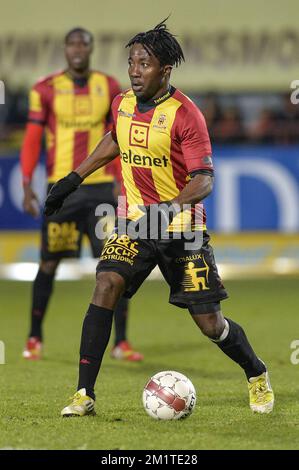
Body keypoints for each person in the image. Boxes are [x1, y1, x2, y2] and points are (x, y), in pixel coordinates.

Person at [44, 20, 274, 416]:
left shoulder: (187, 116)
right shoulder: (122, 104)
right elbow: (115, 138)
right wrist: (73, 178)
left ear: (165, 70)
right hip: (135, 222)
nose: (135, 70)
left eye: (144, 63)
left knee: (210, 324)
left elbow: (203, 180)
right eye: (131, 62)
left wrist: (170, 207)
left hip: (182, 231)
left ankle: (256, 373)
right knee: (105, 284)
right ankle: (84, 395)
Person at [21, 27, 143, 362]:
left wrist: (122, 183)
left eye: (84, 44)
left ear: (90, 49)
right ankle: (34, 338)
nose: (78, 49)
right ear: (65, 49)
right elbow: (32, 138)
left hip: (102, 189)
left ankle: (121, 342)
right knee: (48, 263)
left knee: (117, 265)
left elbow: (118, 137)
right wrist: (27, 181)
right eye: (73, 43)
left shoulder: (109, 86)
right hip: (63, 190)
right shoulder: (44, 89)